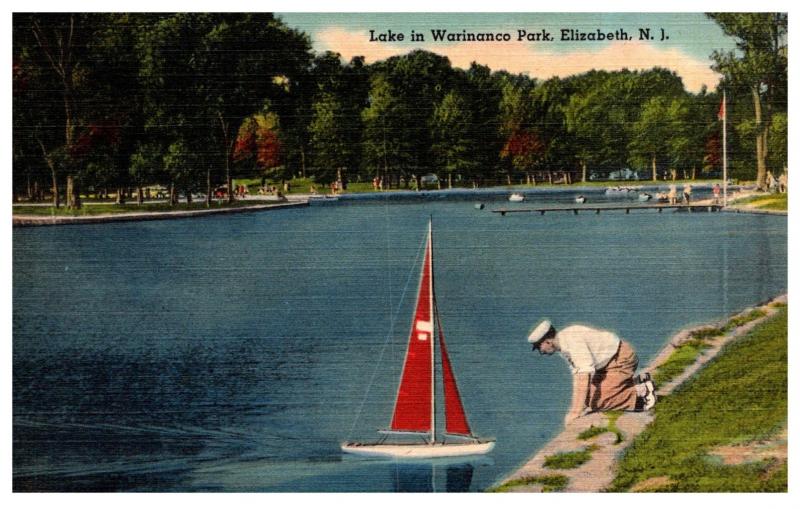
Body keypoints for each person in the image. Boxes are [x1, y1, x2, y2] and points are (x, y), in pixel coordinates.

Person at [528, 320, 656, 427]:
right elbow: (578, 377)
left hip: (621, 360)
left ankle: (642, 396)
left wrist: (574, 412)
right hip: (607, 365)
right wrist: (577, 408)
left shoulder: (572, 340)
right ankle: (636, 382)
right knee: (588, 398)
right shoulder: (563, 343)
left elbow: (584, 376)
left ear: (547, 342)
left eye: (539, 347)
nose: (541, 352)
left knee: (597, 402)